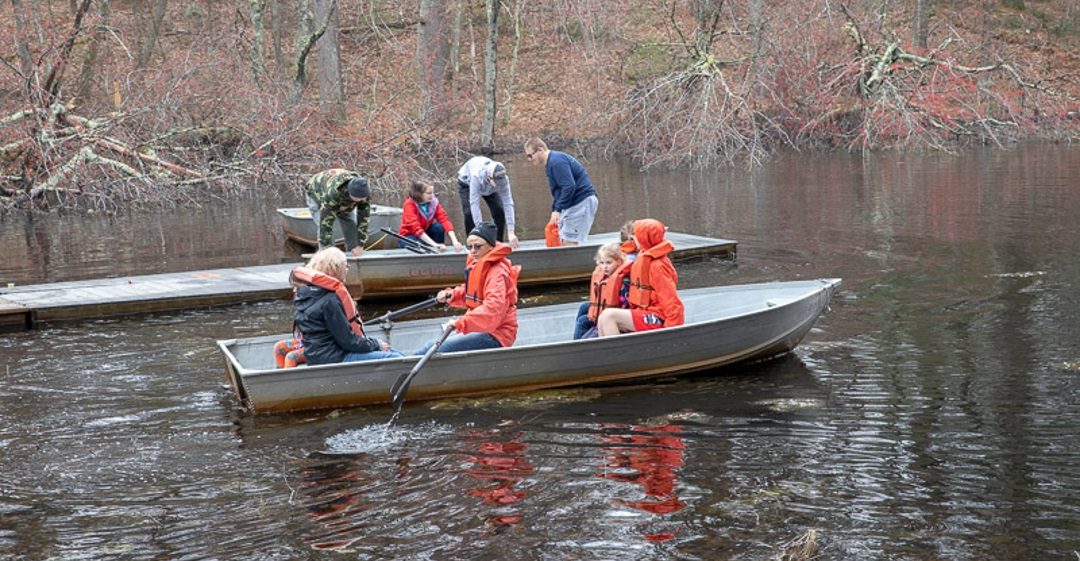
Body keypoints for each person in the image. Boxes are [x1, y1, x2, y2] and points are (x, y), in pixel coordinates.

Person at [415, 221, 520, 354]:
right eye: (470, 247)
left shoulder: (498, 273)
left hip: (497, 334)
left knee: (435, 348)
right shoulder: (479, 263)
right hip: (481, 327)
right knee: (431, 345)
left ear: (490, 247)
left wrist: (460, 323)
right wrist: (451, 295)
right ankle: (402, 365)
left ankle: (401, 367)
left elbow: (493, 309)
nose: (473, 251)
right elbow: (471, 293)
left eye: (478, 247)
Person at [292, 247, 403, 364]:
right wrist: (377, 344)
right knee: (393, 357)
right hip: (334, 357)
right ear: (336, 269)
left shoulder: (305, 294)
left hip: (316, 356)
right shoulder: (330, 300)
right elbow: (348, 342)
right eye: (345, 266)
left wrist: (375, 345)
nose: (347, 269)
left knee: (390, 351)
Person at [597, 219, 684, 337]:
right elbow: (628, 248)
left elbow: (671, 301)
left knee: (609, 316)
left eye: (634, 238)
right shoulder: (644, 253)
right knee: (602, 317)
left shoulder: (657, 266)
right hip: (645, 312)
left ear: (644, 239)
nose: (632, 241)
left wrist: (672, 332)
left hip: (658, 317)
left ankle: (617, 354)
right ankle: (606, 353)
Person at [523, 138, 599, 246]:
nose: (529, 159)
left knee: (568, 240)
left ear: (540, 150)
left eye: (530, 155)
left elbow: (569, 186)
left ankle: (573, 261)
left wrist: (558, 209)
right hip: (574, 203)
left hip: (582, 200)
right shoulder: (551, 163)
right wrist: (555, 209)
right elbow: (559, 191)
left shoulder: (556, 162)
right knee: (562, 238)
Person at [304, 169, 372, 256]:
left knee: (350, 222)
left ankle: (353, 252)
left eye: (361, 199)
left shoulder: (364, 192)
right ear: (350, 193)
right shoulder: (333, 195)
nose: (360, 200)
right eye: (357, 198)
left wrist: (360, 245)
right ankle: (328, 254)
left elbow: (364, 219)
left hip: (341, 196)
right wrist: (326, 248)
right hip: (316, 191)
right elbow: (326, 224)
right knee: (323, 226)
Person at [457, 156, 520, 248]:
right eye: (497, 183)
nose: (499, 185)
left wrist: (511, 232)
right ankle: (472, 245)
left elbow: (508, 203)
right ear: (489, 177)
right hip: (466, 183)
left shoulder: (503, 179)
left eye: (500, 182)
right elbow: (474, 204)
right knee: (469, 213)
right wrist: (481, 234)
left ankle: (497, 244)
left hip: (489, 186)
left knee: (499, 211)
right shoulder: (476, 177)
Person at [573, 242, 632, 340]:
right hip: (601, 310)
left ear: (618, 261)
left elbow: (624, 304)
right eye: (602, 263)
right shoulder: (605, 276)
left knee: (582, 321)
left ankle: (578, 345)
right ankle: (578, 340)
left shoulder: (623, 281)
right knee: (584, 307)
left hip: (612, 314)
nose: (605, 267)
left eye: (609, 263)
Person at [398, 180, 462, 252]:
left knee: (438, 227)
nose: (432, 195)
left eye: (432, 193)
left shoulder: (433, 202)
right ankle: (434, 247)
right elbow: (415, 228)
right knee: (418, 245)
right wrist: (434, 245)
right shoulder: (409, 204)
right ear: (419, 194)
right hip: (409, 235)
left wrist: (455, 241)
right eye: (429, 193)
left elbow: (444, 220)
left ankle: (439, 249)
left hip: (425, 232)